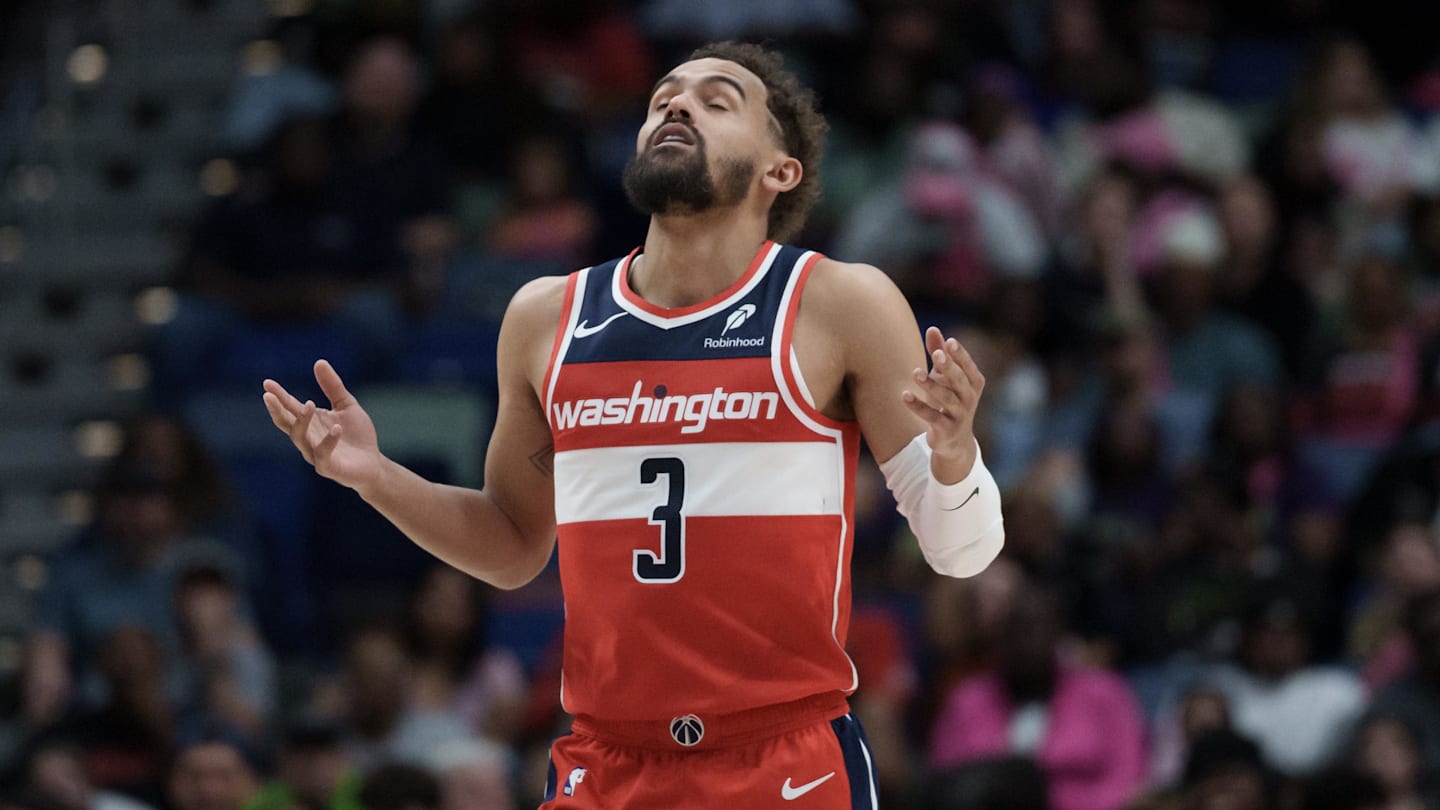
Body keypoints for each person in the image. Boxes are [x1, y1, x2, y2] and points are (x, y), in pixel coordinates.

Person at [263, 41, 1005, 808]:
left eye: (717, 101)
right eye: (663, 99)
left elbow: (961, 552)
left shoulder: (838, 302)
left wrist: (955, 458)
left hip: (782, 758)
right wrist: (375, 477)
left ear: (780, 170)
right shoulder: (547, 317)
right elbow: (514, 546)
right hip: (607, 760)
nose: (677, 105)